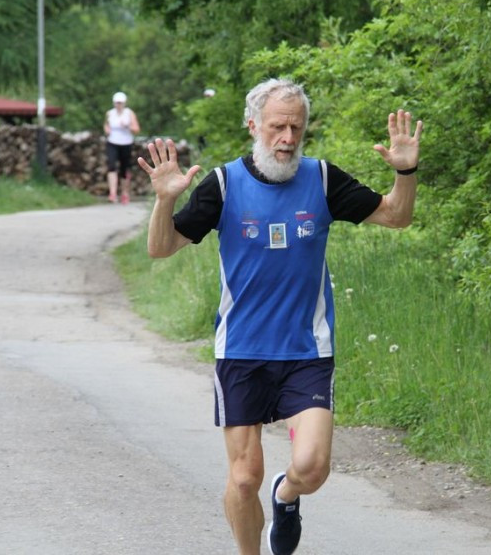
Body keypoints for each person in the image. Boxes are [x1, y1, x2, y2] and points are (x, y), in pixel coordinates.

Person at [138, 78, 422, 555]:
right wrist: (166, 199)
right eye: (277, 127)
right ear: (254, 126)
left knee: (311, 467)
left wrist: (406, 172)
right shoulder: (224, 185)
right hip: (242, 351)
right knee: (244, 478)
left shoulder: (324, 180)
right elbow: (161, 247)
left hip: (305, 350)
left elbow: (396, 215)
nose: (288, 138)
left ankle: (286, 496)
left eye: (296, 127)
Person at [104, 91, 141, 204]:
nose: (118, 105)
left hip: (126, 143)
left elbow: (136, 129)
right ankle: (113, 193)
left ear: (124, 103)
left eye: (120, 103)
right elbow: (106, 125)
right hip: (112, 142)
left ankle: (125, 193)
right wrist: (107, 130)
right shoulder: (109, 113)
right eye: (116, 103)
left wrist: (127, 126)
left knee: (124, 169)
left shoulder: (129, 113)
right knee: (111, 166)